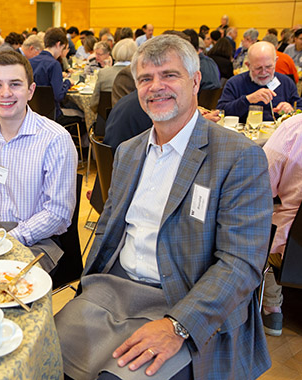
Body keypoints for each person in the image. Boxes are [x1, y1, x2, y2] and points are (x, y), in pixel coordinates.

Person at [55, 34, 272, 380]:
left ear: (195, 80)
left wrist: (178, 326)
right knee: (42, 356)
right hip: (115, 290)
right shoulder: (128, 151)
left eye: (169, 75)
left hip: (184, 299)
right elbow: (108, 230)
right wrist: (88, 286)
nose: (156, 87)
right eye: (145, 78)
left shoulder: (238, 157)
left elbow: (241, 262)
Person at [0, 50, 77, 272]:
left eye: (15, 84)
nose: (5, 93)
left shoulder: (55, 139)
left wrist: (7, 238)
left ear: (30, 91)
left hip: (39, 241)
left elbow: (57, 212)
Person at [262, 113, 302, 337]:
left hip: (292, 247)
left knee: (264, 223)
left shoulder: (294, 129)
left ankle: (271, 306)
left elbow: (262, 185)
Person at [217, 41, 302, 122]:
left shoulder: (286, 82)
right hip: (244, 135)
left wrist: (292, 110)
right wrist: (248, 100)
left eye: (268, 67)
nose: (264, 72)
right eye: (258, 68)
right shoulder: (235, 83)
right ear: (248, 65)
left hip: (279, 134)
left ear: (276, 61)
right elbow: (221, 112)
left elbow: (299, 107)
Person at [29, 28, 71, 120]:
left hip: (32, 113)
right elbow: (58, 95)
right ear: (58, 44)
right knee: (81, 119)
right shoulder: (54, 64)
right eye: (62, 48)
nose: (61, 53)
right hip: (51, 116)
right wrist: (67, 83)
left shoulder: (30, 61)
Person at [91, 38, 136, 113]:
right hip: (131, 119)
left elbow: (94, 103)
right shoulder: (136, 74)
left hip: (105, 119)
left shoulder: (103, 73)